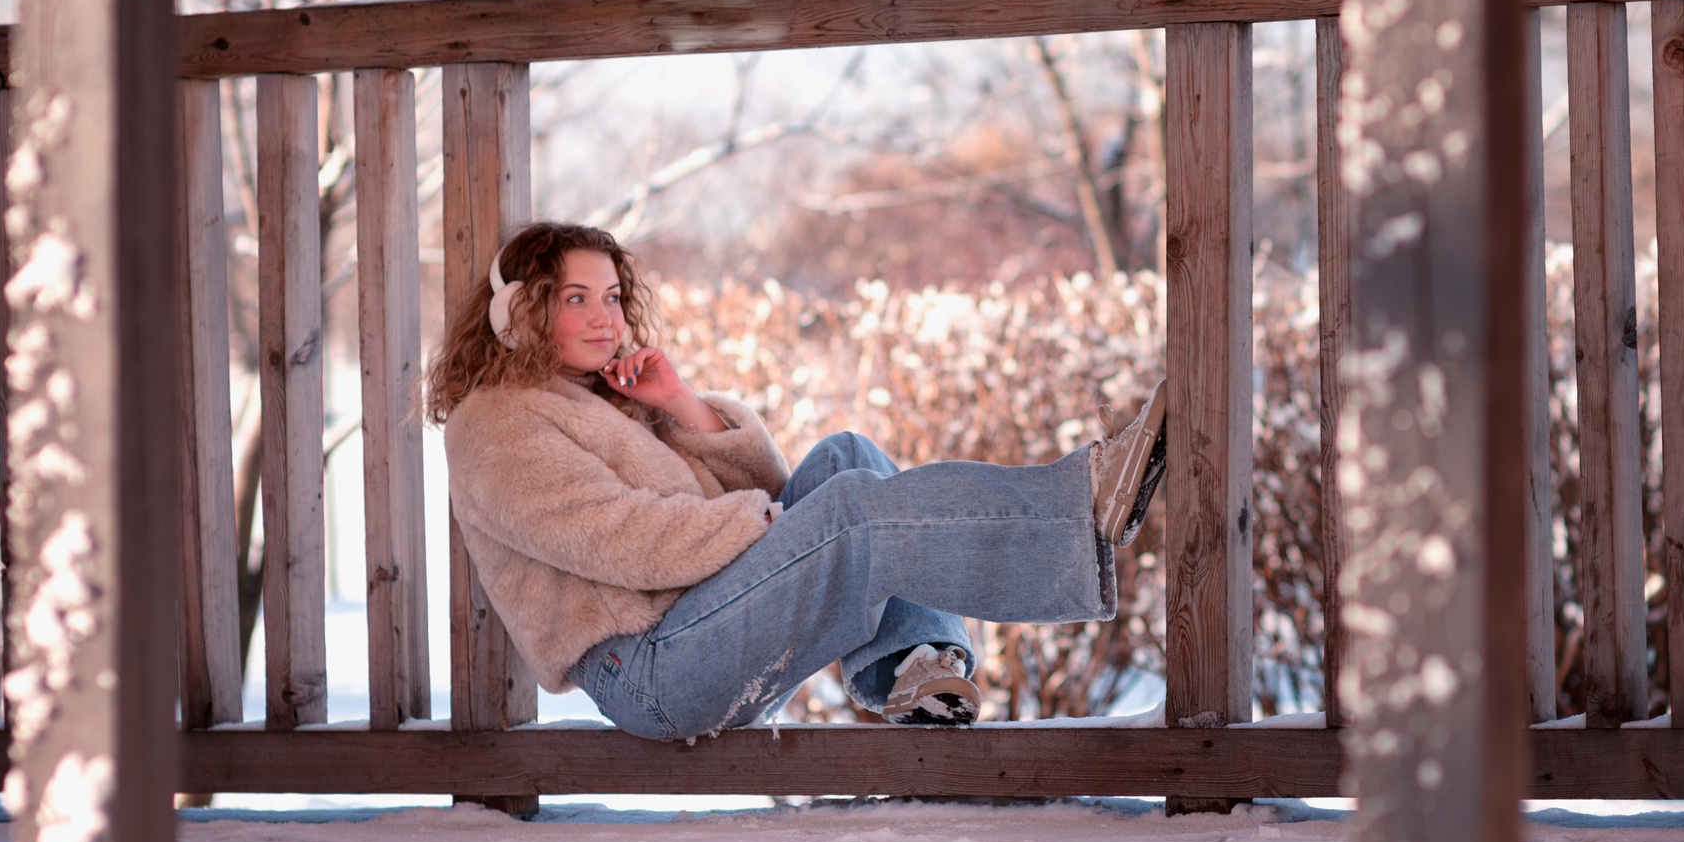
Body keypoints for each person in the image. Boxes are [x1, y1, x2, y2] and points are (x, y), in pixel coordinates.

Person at [424, 221, 1167, 736]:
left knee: (846, 457)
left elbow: (773, 488)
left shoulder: (608, 400)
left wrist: (677, 405)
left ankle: (915, 672)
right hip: (650, 671)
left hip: (702, 625)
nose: (604, 317)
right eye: (574, 296)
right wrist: (768, 526)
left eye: (613, 296)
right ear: (518, 312)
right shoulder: (496, 423)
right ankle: (1082, 508)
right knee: (848, 512)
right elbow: (620, 539)